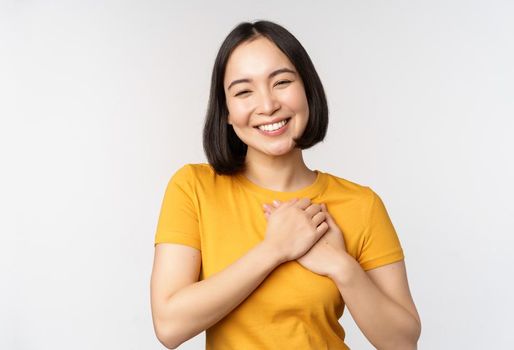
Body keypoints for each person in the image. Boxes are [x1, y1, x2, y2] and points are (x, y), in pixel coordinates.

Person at [149, 20, 421, 349]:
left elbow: (403, 342)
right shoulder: (193, 188)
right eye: (244, 91)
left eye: (281, 82)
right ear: (226, 111)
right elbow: (169, 325)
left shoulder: (361, 204)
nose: (267, 105)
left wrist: (341, 267)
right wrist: (274, 249)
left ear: (307, 88)